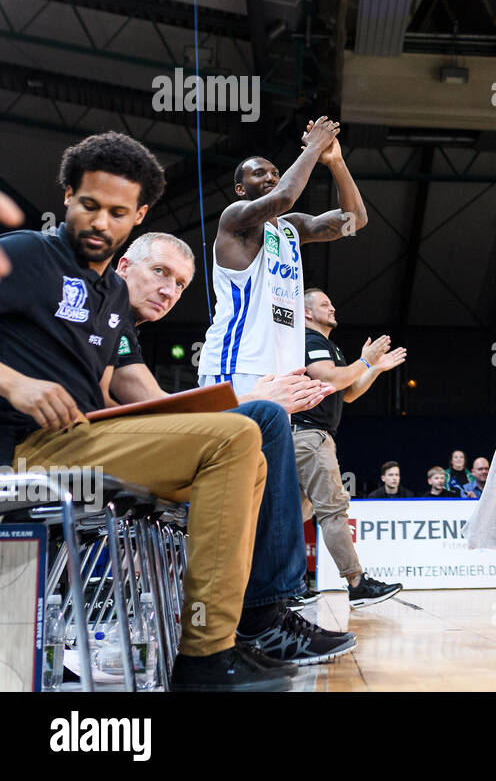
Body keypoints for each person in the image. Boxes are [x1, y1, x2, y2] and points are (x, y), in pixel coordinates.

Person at [0, 132, 290, 690]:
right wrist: (14, 384)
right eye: (89, 205)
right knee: (233, 438)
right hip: (30, 449)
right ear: (67, 196)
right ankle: (204, 658)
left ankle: (229, 631)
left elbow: (115, 392)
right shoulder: (28, 253)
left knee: (247, 451)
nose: (99, 223)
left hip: (83, 439)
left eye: (116, 212)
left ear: (138, 216)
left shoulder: (111, 297)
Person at [111, 231, 357, 664]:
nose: (169, 290)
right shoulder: (105, 312)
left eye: (181, 284)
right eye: (160, 272)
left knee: (261, 425)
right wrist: (248, 401)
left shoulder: (122, 325)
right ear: (124, 267)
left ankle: (260, 613)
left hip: (121, 446)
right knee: (264, 419)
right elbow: (151, 409)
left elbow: (150, 406)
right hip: (88, 457)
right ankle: (263, 617)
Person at [196, 115, 366, 390]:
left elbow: (354, 220)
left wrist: (336, 161)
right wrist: (314, 146)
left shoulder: (292, 228)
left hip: (283, 370)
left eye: (275, 172)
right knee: (237, 435)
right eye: (259, 173)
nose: (270, 177)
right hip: (237, 363)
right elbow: (285, 197)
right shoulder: (234, 218)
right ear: (240, 189)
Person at [293, 286, 405, 607]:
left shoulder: (328, 345)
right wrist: (363, 360)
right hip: (310, 435)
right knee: (333, 509)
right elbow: (329, 378)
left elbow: (349, 391)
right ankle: (356, 584)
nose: (333, 308)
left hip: (311, 436)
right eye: (325, 304)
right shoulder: (309, 341)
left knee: (294, 513)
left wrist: (373, 367)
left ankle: (288, 586)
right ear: (307, 313)